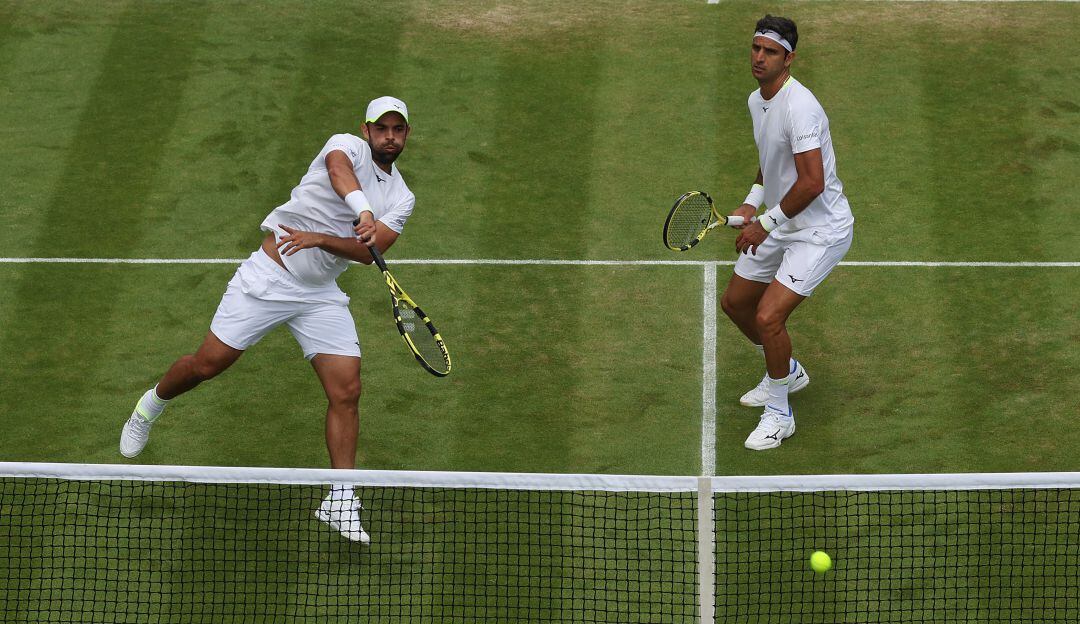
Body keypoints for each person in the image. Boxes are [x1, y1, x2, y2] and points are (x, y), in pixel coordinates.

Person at [119, 96, 417, 543]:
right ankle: (150, 405)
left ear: (406, 134)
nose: (389, 136)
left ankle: (341, 498)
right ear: (366, 130)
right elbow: (339, 174)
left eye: (398, 129)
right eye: (382, 128)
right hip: (269, 277)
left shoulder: (403, 197)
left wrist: (321, 239)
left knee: (347, 390)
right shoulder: (345, 147)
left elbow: (369, 253)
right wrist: (363, 212)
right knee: (207, 365)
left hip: (320, 295)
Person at [720, 16, 854, 451]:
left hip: (819, 230)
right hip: (781, 218)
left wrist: (765, 223)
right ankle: (787, 371)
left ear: (789, 59)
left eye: (770, 52)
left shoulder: (802, 107)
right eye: (756, 48)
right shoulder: (755, 100)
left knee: (768, 317)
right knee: (736, 303)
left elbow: (812, 182)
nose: (759, 58)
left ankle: (780, 413)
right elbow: (769, 157)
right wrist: (751, 199)